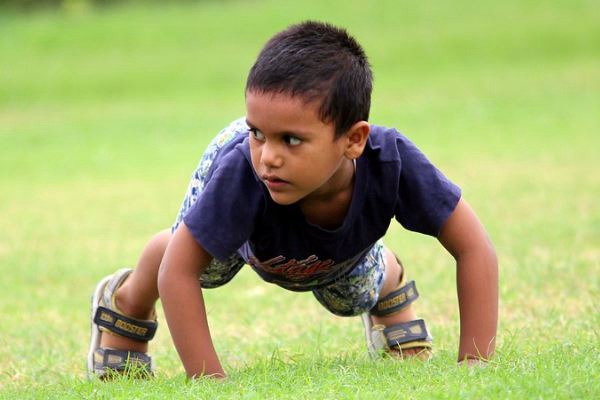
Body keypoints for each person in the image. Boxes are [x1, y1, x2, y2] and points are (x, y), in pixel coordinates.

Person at [87, 21, 498, 379]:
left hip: (333, 253)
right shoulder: (245, 168)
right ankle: (126, 305)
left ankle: (388, 286)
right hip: (247, 234)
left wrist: (475, 361)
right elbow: (179, 270)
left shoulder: (391, 163)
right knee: (195, 259)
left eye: (292, 140)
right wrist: (209, 381)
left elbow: (474, 246)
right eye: (258, 133)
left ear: (353, 140)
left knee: (352, 297)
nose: (268, 156)